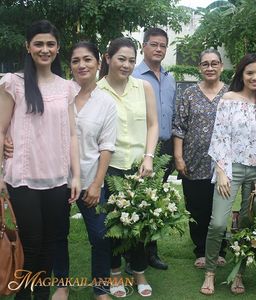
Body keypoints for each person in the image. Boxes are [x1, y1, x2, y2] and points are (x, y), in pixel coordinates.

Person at [0, 20, 80, 300]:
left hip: (57, 179)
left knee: (51, 244)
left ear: (57, 49)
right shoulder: (14, 83)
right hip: (23, 179)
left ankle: (42, 295)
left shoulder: (67, 88)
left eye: (50, 44)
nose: (44, 49)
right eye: (38, 43)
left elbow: (71, 135)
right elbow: (0, 129)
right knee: (32, 246)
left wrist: (76, 176)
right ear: (28, 47)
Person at [200, 53, 256, 295]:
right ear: (241, 74)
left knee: (246, 225)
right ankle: (210, 273)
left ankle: (238, 273)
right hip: (230, 169)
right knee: (218, 222)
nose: (255, 77)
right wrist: (221, 171)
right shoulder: (228, 99)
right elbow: (220, 136)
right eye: (250, 72)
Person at [50, 42, 117, 300]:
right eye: (76, 60)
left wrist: (97, 184)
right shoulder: (59, 95)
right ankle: (62, 285)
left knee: (100, 237)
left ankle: (101, 289)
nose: (82, 65)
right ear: (70, 65)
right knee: (58, 234)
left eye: (88, 59)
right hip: (56, 180)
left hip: (90, 180)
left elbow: (107, 147)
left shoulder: (106, 103)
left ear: (99, 63)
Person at [98, 37, 158, 298]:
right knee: (113, 225)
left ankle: (139, 271)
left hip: (139, 168)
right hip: (109, 168)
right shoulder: (96, 90)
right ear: (107, 58)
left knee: (141, 223)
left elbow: (153, 124)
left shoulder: (143, 87)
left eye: (132, 60)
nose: (127, 64)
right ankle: (114, 273)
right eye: (121, 58)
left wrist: (149, 157)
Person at [172, 49, 228, 269]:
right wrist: (178, 156)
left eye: (214, 63)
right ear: (199, 68)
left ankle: (220, 249)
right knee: (197, 208)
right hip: (193, 160)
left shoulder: (231, 94)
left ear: (221, 66)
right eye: (205, 64)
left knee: (219, 208)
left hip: (222, 164)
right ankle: (201, 250)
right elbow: (179, 127)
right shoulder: (189, 94)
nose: (210, 68)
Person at [132, 27, 175, 271]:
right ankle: (134, 255)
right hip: (143, 146)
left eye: (163, 46)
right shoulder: (134, 75)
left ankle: (151, 252)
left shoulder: (170, 78)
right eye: (154, 44)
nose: (159, 49)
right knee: (138, 200)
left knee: (155, 201)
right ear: (143, 46)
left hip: (165, 146)